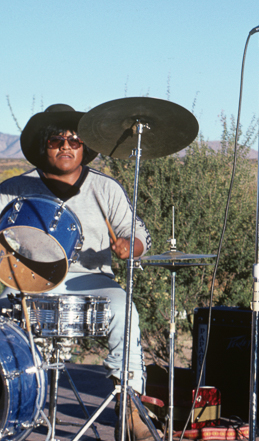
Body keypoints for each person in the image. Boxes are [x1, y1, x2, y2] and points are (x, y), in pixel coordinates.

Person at [0, 104, 153, 438]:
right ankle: (10, 402)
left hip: (92, 280)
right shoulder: (13, 189)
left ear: (85, 147)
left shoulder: (105, 188)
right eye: (57, 140)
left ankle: (129, 407)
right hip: (29, 281)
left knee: (123, 308)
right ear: (44, 145)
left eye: (75, 140)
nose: (66, 146)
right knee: (3, 310)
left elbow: (140, 234)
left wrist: (131, 246)